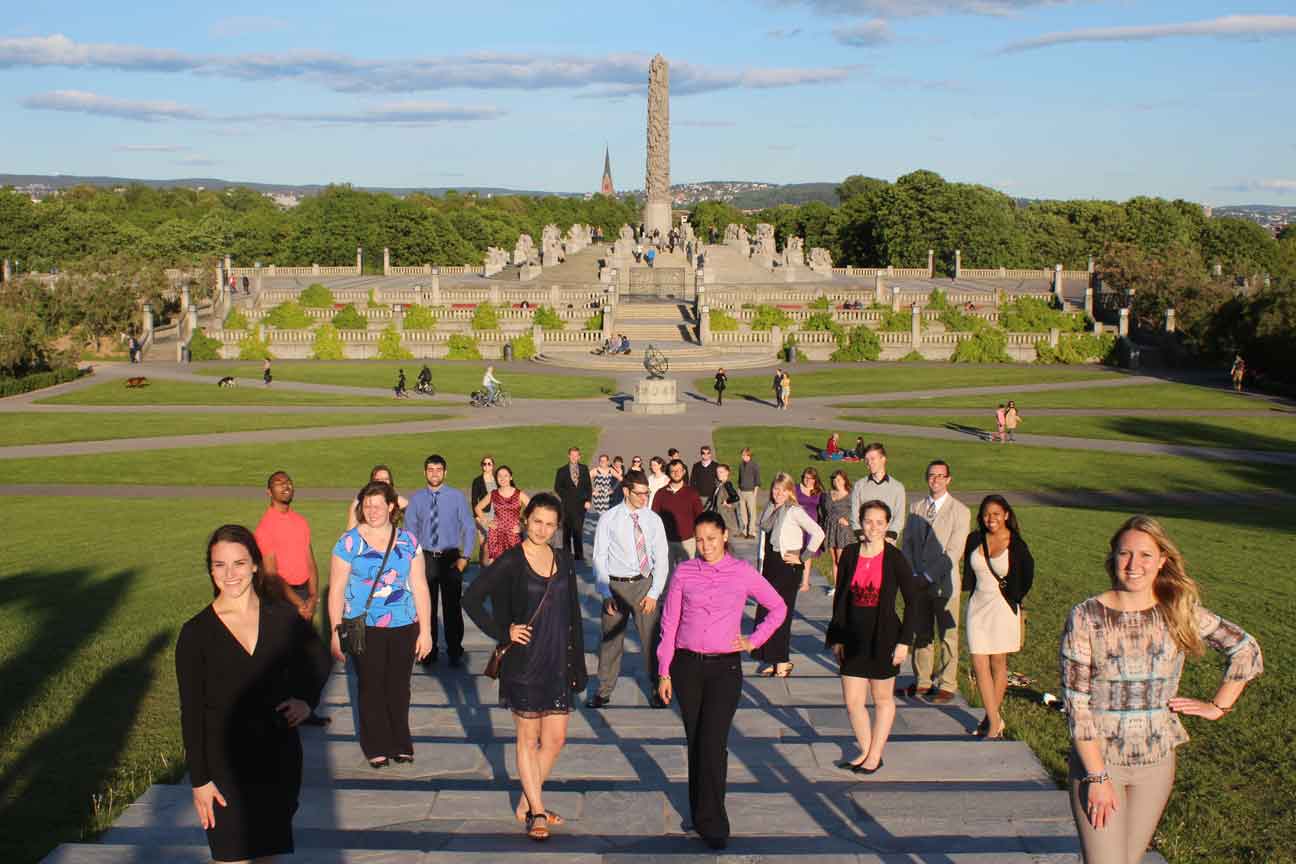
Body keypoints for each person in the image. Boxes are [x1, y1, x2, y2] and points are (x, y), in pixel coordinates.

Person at [1060, 515, 1262, 864]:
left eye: (1145, 555)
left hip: (1157, 763)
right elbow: (1076, 704)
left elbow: (1245, 648)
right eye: (1125, 554)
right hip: (1099, 763)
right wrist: (1097, 776)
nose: (1134, 565)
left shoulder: (1177, 612)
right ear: (1113, 558)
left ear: (1162, 560)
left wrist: (1218, 706)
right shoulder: (1086, 616)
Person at [176, 525, 329, 863]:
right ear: (210, 569)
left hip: (278, 762)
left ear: (256, 565)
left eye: (239, 563)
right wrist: (199, 781)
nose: (230, 574)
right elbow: (191, 712)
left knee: (266, 857)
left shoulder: (282, 618)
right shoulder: (196, 633)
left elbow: (318, 659)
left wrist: (306, 700)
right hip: (224, 767)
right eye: (219, 565)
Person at [656, 511, 787, 850]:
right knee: (697, 740)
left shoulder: (742, 572)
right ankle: (700, 813)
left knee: (713, 741)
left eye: (711, 539)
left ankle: (714, 821)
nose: (705, 546)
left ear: (725, 536)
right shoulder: (684, 571)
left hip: (724, 670)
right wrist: (664, 670)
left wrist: (754, 640)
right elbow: (669, 623)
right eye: (699, 540)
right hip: (686, 668)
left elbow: (778, 607)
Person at [462, 494, 587, 842]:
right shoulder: (511, 560)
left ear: (557, 526)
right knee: (528, 739)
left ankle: (525, 802)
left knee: (556, 738)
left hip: (557, 660)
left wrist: (577, 661)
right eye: (537, 522)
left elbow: (573, 613)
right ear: (524, 521)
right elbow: (470, 598)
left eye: (550, 524)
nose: (543, 529)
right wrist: (504, 632)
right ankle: (536, 810)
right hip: (525, 662)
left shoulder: (563, 559)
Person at [328, 482, 432, 767]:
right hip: (365, 626)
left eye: (378, 505)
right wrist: (335, 630)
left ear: (391, 507)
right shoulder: (349, 542)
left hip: (403, 625)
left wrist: (426, 631)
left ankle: (400, 741)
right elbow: (336, 588)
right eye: (367, 505)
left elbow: (420, 586)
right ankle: (375, 744)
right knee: (371, 686)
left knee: (399, 686)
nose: (372, 511)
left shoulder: (408, 541)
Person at [826, 499, 919, 774]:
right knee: (853, 702)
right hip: (852, 636)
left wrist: (904, 642)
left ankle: (875, 754)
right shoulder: (851, 554)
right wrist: (837, 636)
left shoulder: (894, 557)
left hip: (884, 637)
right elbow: (841, 598)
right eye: (868, 521)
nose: (873, 527)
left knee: (882, 699)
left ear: (887, 525)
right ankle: (866, 750)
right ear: (860, 522)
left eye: (880, 522)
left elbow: (913, 601)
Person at [588, 470, 670, 709]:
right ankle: (603, 691)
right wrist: (605, 593)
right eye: (640, 493)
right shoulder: (609, 519)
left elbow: (662, 559)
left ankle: (657, 688)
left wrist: (654, 593)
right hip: (616, 586)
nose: (645, 498)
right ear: (626, 491)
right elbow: (599, 557)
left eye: (647, 493)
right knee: (610, 642)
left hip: (644, 585)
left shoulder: (653, 520)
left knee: (651, 641)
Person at [963, 494, 1034, 737]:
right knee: (978, 662)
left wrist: (1014, 595)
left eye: (996, 513)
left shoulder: (1016, 544)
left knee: (998, 663)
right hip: (977, 606)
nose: (990, 518)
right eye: (986, 514)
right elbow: (969, 571)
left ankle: (990, 719)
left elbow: (1027, 574)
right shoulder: (975, 539)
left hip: (1002, 607)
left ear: (1006, 515)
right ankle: (995, 721)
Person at [901, 459, 971, 703]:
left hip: (943, 583)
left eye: (941, 476)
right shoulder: (916, 507)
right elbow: (907, 544)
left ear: (949, 479)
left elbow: (953, 551)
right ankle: (922, 680)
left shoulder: (960, 511)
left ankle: (947, 683)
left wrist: (928, 576)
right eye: (932, 475)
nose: (936, 480)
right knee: (921, 633)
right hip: (917, 580)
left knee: (947, 635)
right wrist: (912, 574)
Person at [404, 455, 475, 667]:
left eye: (438, 469)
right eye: (430, 469)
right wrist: (412, 560)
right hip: (425, 557)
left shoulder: (456, 497)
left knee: (452, 607)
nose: (434, 473)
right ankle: (429, 650)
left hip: (450, 557)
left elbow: (469, 527)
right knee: (427, 607)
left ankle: (455, 650)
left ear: (445, 472)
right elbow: (410, 531)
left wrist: (465, 557)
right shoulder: (417, 499)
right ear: (424, 472)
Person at [753, 472, 825, 677]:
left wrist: (803, 557)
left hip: (787, 567)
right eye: (775, 489)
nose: (778, 493)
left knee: (780, 615)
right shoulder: (769, 509)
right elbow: (764, 541)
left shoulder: (794, 511)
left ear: (789, 492)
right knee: (765, 614)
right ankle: (769, 658)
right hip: (769, 566)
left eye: (782, 490)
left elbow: (818, 532)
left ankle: (782, 660)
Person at [255, 471, 320, 623]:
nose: (286, 485)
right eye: (279, 482)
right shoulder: (265, 528)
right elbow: (271, 574)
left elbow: (310, 562)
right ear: (269, 492)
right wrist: (300, 604)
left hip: (305, 594)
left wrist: (312, 596)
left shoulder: (301, 521)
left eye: (288, 481)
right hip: (281, 596)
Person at [652, 458, 705, 572]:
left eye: (679, 470)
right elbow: (654, 518)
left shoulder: (692, 493)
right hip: (666, 541)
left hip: (687, 541)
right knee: (666, 574)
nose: (676, 473)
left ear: (684, 471)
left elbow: (700, 517)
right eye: (673, 471)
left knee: (688, 574)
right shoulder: (661, 493)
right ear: (669, 473)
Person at [849, 443, 906, 544]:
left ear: (883, 459)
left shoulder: (898, 487)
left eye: (872, 458)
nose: (869, 463)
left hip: (887, 546)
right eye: (866, 460)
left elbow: (899, 519)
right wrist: (864, 539)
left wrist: (885, 541)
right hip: (864, 545)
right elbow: (854, 516)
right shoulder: (859, 485)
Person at [476, 464, 529, 568]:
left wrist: (523, 525)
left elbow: (533, 508)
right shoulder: (493, 494)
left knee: (514, 565)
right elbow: (478, 508)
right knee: (495, 566)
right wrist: (487, 522)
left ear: (511, 477)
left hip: (513, 534)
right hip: (496, 533)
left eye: (505, 475)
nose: (502, 478)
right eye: (499, 476)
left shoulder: (519, 494)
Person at [554, 447, 593, 560]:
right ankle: (566, 554)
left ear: (579, 456)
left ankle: (579, 555)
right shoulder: (562, 470)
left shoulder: (584, 469)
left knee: (578, 530)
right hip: (567, 505)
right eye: (572, 455)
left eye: (576, 455)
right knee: (567, 531)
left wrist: (588, 500)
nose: (574, 457)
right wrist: (567, 496)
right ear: (568, 456)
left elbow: (588, 487)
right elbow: (557, 487)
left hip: (581, 505)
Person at [795, 467, 828, 593]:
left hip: (811, 527)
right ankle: (795, 578)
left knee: (807, 554)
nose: (807, 480)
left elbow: (825, 509)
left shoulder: (819, 492)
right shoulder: (796, 488)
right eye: (805, 477)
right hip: (797, 525)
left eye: (810, 478)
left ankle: (805, 582)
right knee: (795, 551)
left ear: (815, 479)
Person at [346, 465, 409, 531]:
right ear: (372, 482)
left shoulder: (397, 500)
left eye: (386, 479)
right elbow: (350, 530)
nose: (382, 482)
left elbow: (415, 517)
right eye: (378, 479)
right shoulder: (359, 501)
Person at [823, 470, 855, 598]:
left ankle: (845, 586)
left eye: (840, 479)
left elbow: (856, 511)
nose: (837, 482)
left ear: (845, 480)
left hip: (843, 531)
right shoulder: (828, 494)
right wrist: (835, 518)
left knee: (842, 560)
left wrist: (848, 520)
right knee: (834, 560)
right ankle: (836, 586)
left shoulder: (851, 494)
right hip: (831, 528)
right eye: (835, 480)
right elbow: (827, 510)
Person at [469, 456, 497, 563]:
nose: (486, 466)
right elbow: (474, 500)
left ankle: (492, 566)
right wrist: (477, 517)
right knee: (483, 543)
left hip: (496, 514)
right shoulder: (477, 481)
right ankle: (482, 566)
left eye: (489, 464)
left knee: (493, 541)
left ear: (493, 466)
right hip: (483, 514)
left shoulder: (498, 479)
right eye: (484, 464)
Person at [704, 463, 741, 535]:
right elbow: (712, 501)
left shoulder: (727, 484)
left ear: (727, 472)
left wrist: (727, 502)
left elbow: (735, 497)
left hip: (724, 518)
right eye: (717, 472)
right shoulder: (719, 485)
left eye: (721, 472)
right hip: (716, 517)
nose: (719, 474)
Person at [736, 448, 761, 539]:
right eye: (742, 455)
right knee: (743, 513)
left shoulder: (754, 465)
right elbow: (739, 478)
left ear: (748, 455)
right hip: (741, 492)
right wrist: (738, 489)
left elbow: (757, 480)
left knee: (752, 513)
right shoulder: (741, 465)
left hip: (751, 492)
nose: (742, 456)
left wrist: (755, 493)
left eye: (744, 455)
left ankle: (751, 532)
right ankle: (744, 531)